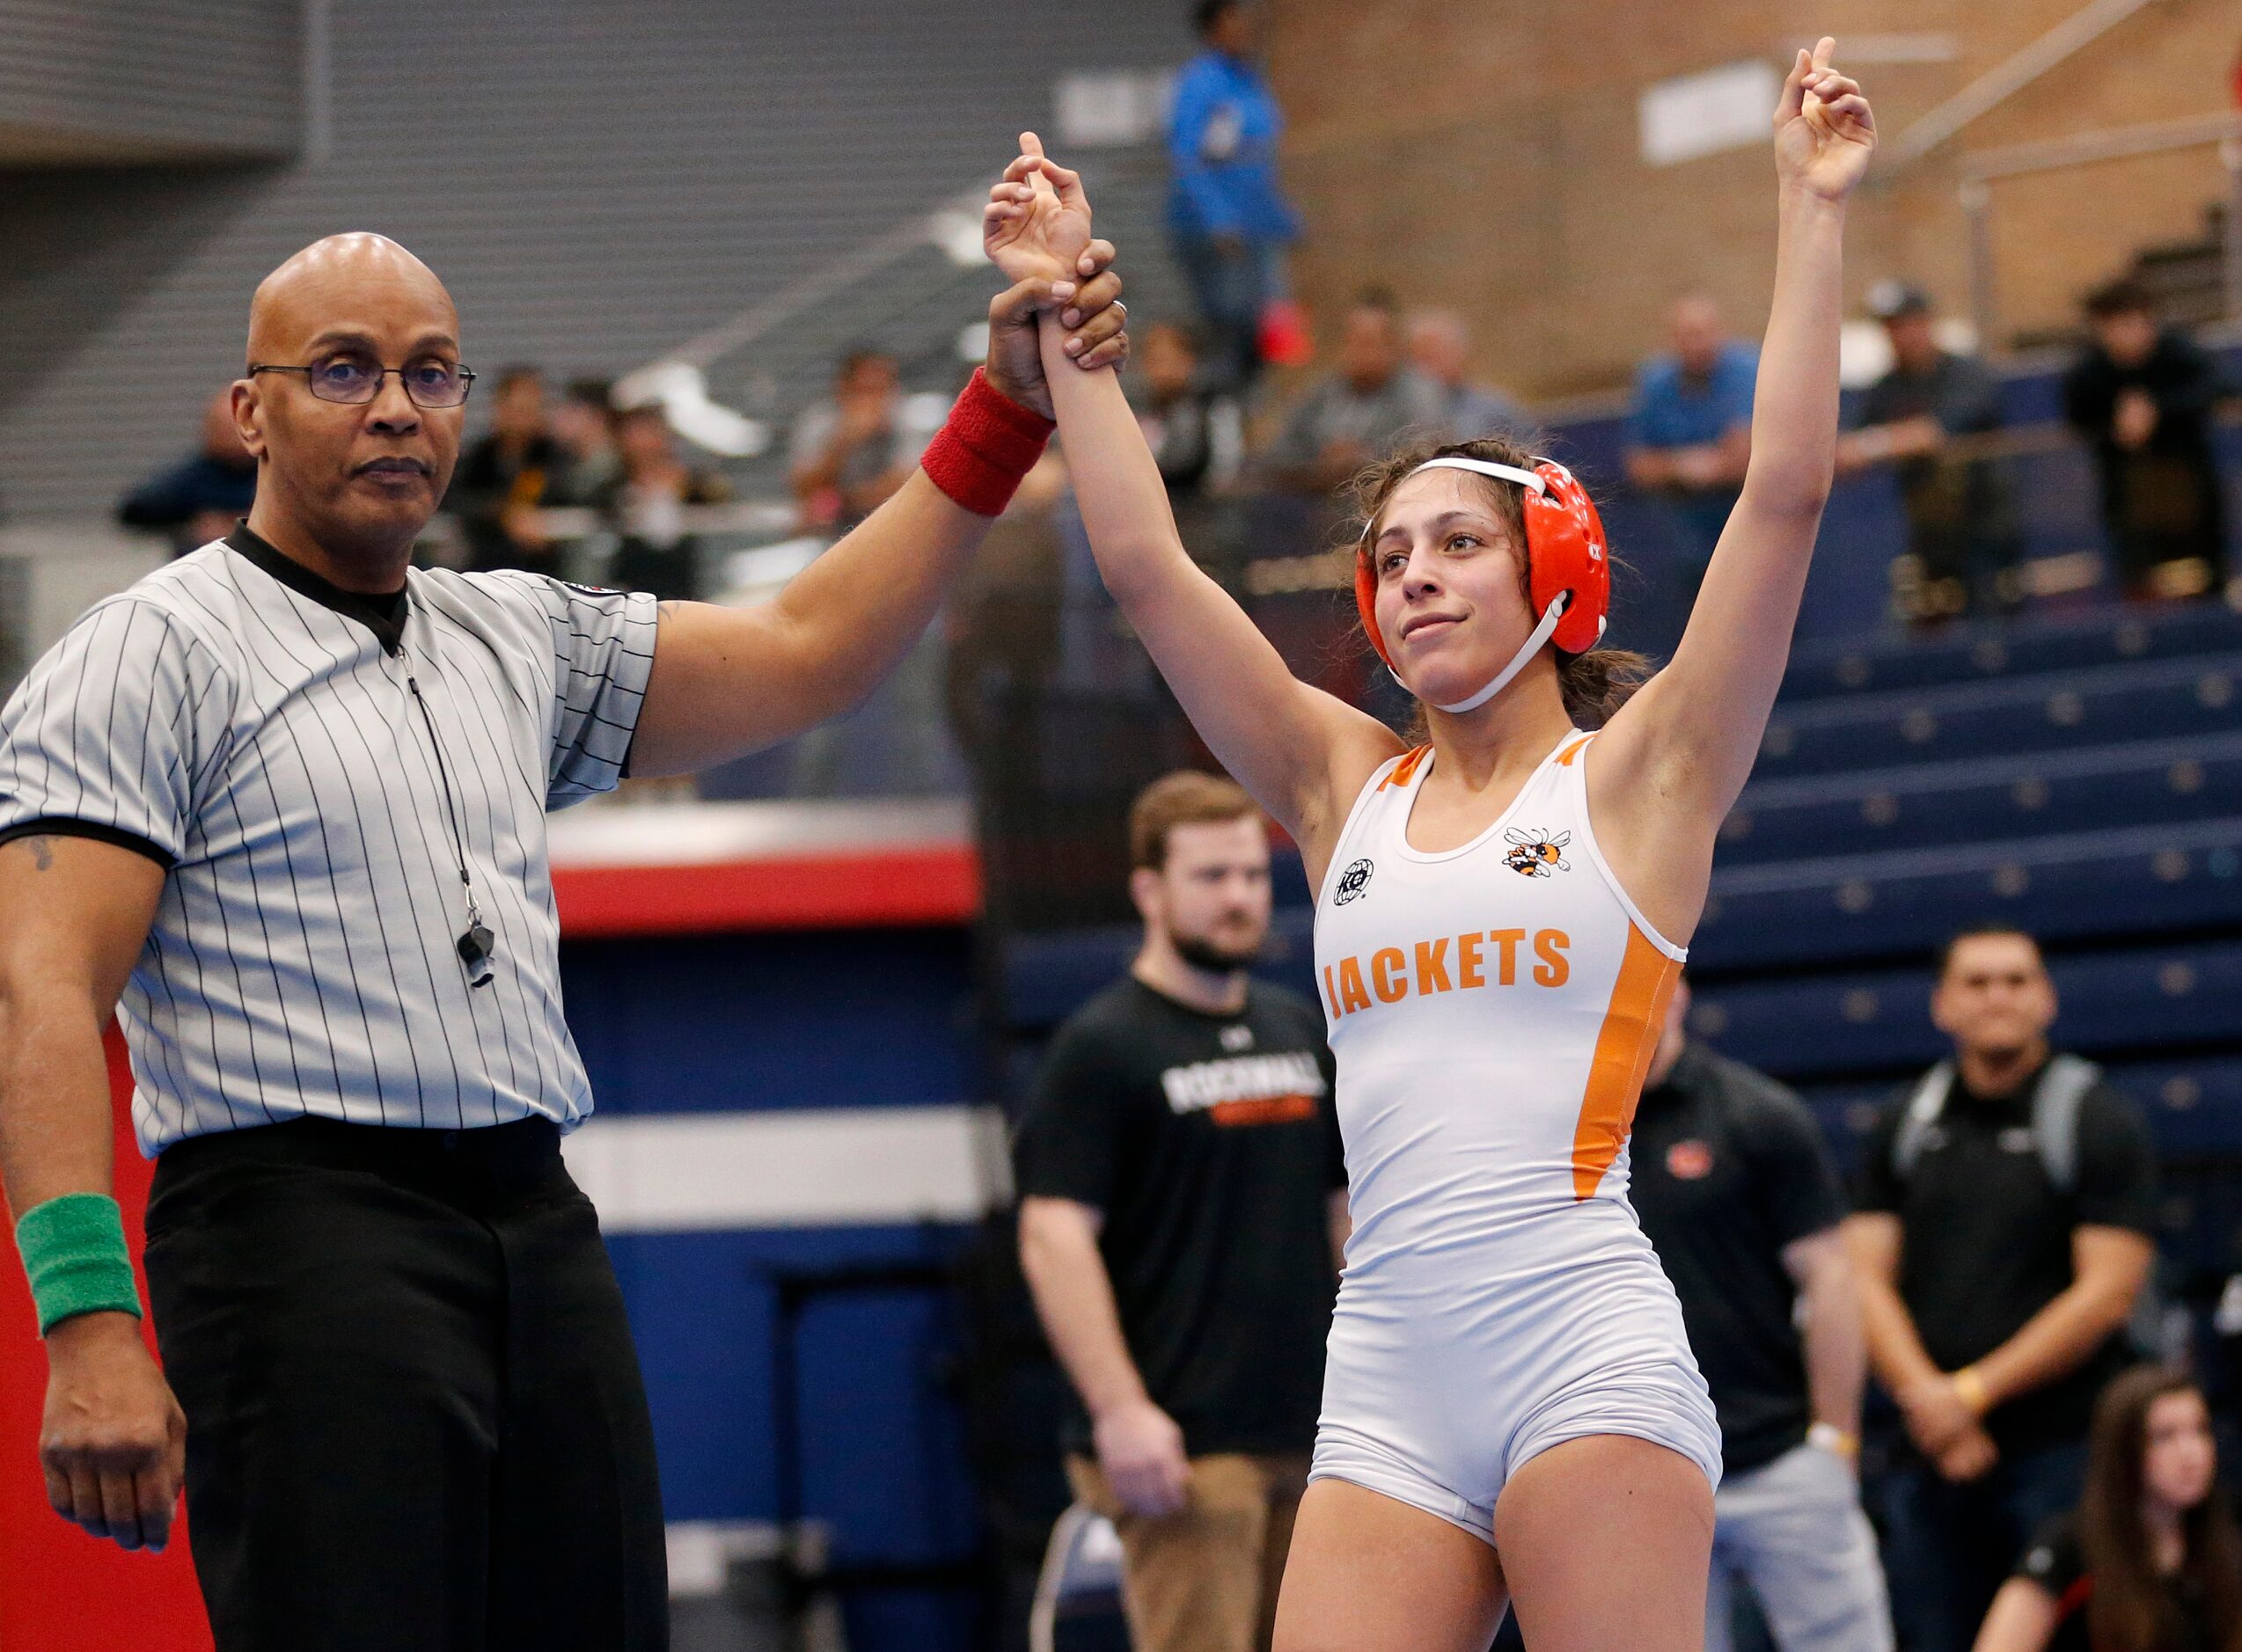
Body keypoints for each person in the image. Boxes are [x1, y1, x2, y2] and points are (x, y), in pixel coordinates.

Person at [0, 225, 1127, 1648]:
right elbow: (39, 987)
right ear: (249, 411)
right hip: (298, 1235)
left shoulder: (514, 634)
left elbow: (807, 645)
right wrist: (88, 1317)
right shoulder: (145, 650)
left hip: (535, 1223)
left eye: (431, 373)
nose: (397, 407)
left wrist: (1006, 403)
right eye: (343, 370)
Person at [987, 37, 1875, 1650]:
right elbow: (1143, 568)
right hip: (1385, 1373)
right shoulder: (1341, 787)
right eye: (1388, 558)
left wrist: (1805, 209)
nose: (1409, 576)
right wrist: (1067, 327)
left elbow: (1787, 495)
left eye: (1456, 543)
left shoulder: (1641, 778)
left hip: (1580, 1347)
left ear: (1554, 571)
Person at [1014, 771, 1348, 1652]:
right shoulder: (1101, 1048)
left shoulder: (1294, 1029)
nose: (1237, 898)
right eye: (1211, 878)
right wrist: (1120, 1410)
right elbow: (1053, 1238)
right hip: (1187, 1449)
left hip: (1312, 1429)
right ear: (1149, 891)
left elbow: (1342, 1216)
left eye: (1248, 874)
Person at [1846, 925, 2161, 1652]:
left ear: (2046, 998)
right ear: (1942, 1005)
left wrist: (1971, 1395)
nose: (1999, 997)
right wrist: (1932, 1401)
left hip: (2061, 1453)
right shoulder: (1906, 1122)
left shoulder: (2098, 1120)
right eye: (1978, 982)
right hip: (1931, 1452)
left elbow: (2107, 1294)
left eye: (2017, 981)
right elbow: (1862, 1277)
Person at [1630, 977, 1892, 1652]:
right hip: (1646, 1470)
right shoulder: (1573, 1131)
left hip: (1779, 1457)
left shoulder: (1757, 1115)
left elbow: (1831, 1279)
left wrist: (1837, 1438)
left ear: (1678, 996)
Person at [1974, 1367, 2242, 1652]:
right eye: (2164, 1436)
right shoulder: (2072, 1547)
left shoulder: (2228, 1532)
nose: (2191, 1454)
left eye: (2200, 1430)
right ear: (2122, 1451)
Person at [1837, 281, 2019, 625]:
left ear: (1927, 322)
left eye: (1907, 323)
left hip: (1986, 529)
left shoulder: (1966, 373)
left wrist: (1873, 445)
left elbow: (1933, 433)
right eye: (1891, 327)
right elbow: (1849, 448)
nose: (1900, 335)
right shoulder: (1887, 389)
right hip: (1931, 536)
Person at [2062, 280, 2231, 602]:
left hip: (2192, 496)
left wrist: (2158, 409)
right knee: (2142, 590)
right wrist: (2119, 420)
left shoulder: (2176, 351)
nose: (2124, 336)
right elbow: (2077, 416)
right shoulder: (2089, 372)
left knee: (2205, 588)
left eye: (2131, 323)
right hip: (2128, 501)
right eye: (2113, 327)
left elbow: (2220, 384)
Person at [1167, 0, 1301, 395]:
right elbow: (1188, 158)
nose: (1245, 27)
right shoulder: (1200, 83)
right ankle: (1223, 415)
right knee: (1231, 326)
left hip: (1256, 228)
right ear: (1213, 27)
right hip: (1217, 234)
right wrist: (1218, 221)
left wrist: (1282, 218)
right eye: (1234, 19)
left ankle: (1258, 405)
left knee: (1272, 327)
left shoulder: (1250, 80)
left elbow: (1258, 158)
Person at [1627, 292, 1758, 595]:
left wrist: (1685, 466)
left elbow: (1745, 458)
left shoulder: (1748, 370)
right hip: (1689, 540)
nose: (1697, 345)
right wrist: (1685, 466)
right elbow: (1640, 467)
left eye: (1704, 333)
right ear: (1672, 340)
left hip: (1753, 532)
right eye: (1687, 335)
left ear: (1721, 331)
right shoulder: (1655, 382)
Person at [1262, 289, 1443, 501]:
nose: (1358, 353)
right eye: (1351, 341)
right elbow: (1280, 452)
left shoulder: (1419, 395)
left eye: (1368, 343)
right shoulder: (1322, 394)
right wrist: (1321, 461)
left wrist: (1363, 459)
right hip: (1315, 500)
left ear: (1393, 347)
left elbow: (1424, 452)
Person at [788, 348, 940, 530]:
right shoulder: (820, 421)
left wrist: (844, 499)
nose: (873, 400)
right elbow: (803, 490)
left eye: (882, 389)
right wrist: (845, 440)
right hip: (830, 526)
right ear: (844, 388)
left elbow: (909, 486)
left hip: (890, 521)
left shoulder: (907, 420)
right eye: (864, 390)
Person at [598, 400, 732, 602]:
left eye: (650, 432)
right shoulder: (613, 485)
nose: (643, 443)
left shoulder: (689, 482)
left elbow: (721, 498)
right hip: (631, 580)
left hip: (681, 579)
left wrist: (681, 487)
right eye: (635, 433)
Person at [115, 388, 260, 555]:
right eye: (222, 427)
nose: (230, 437)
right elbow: (135, 511)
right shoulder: (191, 476)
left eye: (234, 428)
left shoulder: (273, 474)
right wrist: (191, 525)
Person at [449, 363, 560, 574]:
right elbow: (457, 499)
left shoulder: (556, 457)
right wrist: (504, 514)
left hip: (546, 571)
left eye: (532, 409)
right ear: (499, 408)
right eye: (517, 410)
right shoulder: (478, 458)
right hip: (486, 569)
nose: (524, 418)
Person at [1408, 309, 1527, 444]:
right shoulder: (1400, 413)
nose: (1425, 368)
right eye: (1419, 358)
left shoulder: (1495, 410)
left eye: (1434, 355)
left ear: (1460, 354)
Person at [544, 376, 622, 508]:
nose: (560, 418)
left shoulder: (620, 469)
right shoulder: (566, 463)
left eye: (572, 412)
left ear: (597, 417)